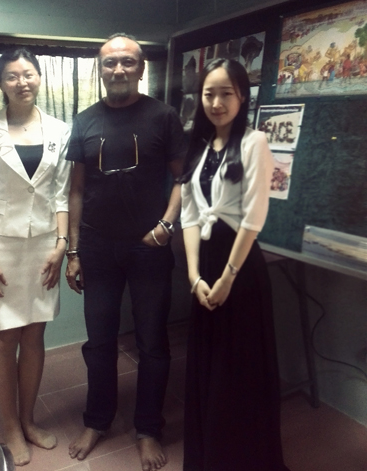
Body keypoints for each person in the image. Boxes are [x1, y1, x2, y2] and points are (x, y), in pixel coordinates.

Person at [65, 33, 185, 471]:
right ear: (100, 69)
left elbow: (183, 179)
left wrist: (166, 226)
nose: (118, 69)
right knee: (99, 341)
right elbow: (76, 190)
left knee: (152, 341)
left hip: (147, 246)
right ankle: (97, 420)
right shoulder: (84, 121)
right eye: (110, 62)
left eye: (127, 62)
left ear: (141, 68)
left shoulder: (163, 116)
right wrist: (73, 250)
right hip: (97, 246)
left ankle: (148, 428)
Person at [180, 58, 290, 470]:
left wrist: (227, 278)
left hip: (239, 270)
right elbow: (189, 215)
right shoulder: (199, 145)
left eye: (226, 93)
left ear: (242, 96)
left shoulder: (254, 142)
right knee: (208, 368)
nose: (216, 102)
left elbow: (253, 218)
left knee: (237, 371)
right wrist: (194, 276)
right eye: (209, 93)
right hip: (204, 269)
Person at [0, 48, 71, 466]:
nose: (21, 82)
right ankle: (10, 426)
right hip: (1, 249)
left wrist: (61, 245)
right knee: (5, 337)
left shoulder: (60, 130)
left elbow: (61, 195)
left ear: (39, 77)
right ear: (1, 84)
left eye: (28, 74)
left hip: (44, 246)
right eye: (12, 76)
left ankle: (28, 420)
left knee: (35, 334)